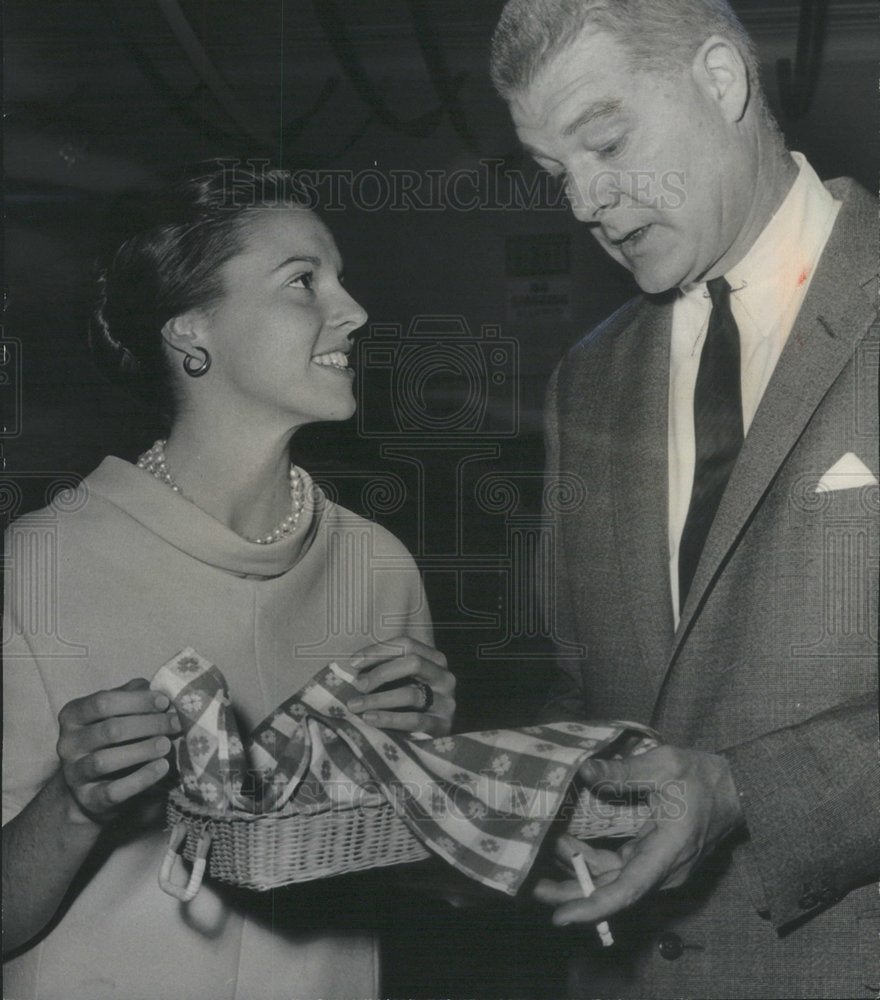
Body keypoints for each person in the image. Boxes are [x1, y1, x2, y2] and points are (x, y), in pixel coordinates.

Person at [490, 2, 878, 997]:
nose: (585, 201)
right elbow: (582, 689)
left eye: (607, 143)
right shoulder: (585, 381)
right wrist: (530, 802)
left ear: (721, 80)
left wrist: (744, 791)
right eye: (556, 172)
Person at [2, 164, 456, 1000]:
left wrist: (431, 774)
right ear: (191, 332)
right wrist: (73, 803)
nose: (354, 311)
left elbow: (423, 880)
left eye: (340, 280)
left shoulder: (380, 567)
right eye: (303, 281)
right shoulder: (37, 564)